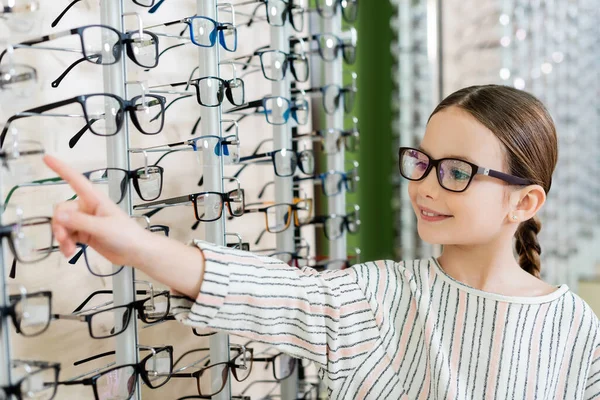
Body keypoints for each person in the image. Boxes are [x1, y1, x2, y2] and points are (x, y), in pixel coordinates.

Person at [45, 84, 600, 399]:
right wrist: (135, 244)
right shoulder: (379, 298)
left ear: (523, 203)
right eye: (422, 163)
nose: (427, 186)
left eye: (456, 172)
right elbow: (268, 293)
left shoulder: (575, 330)